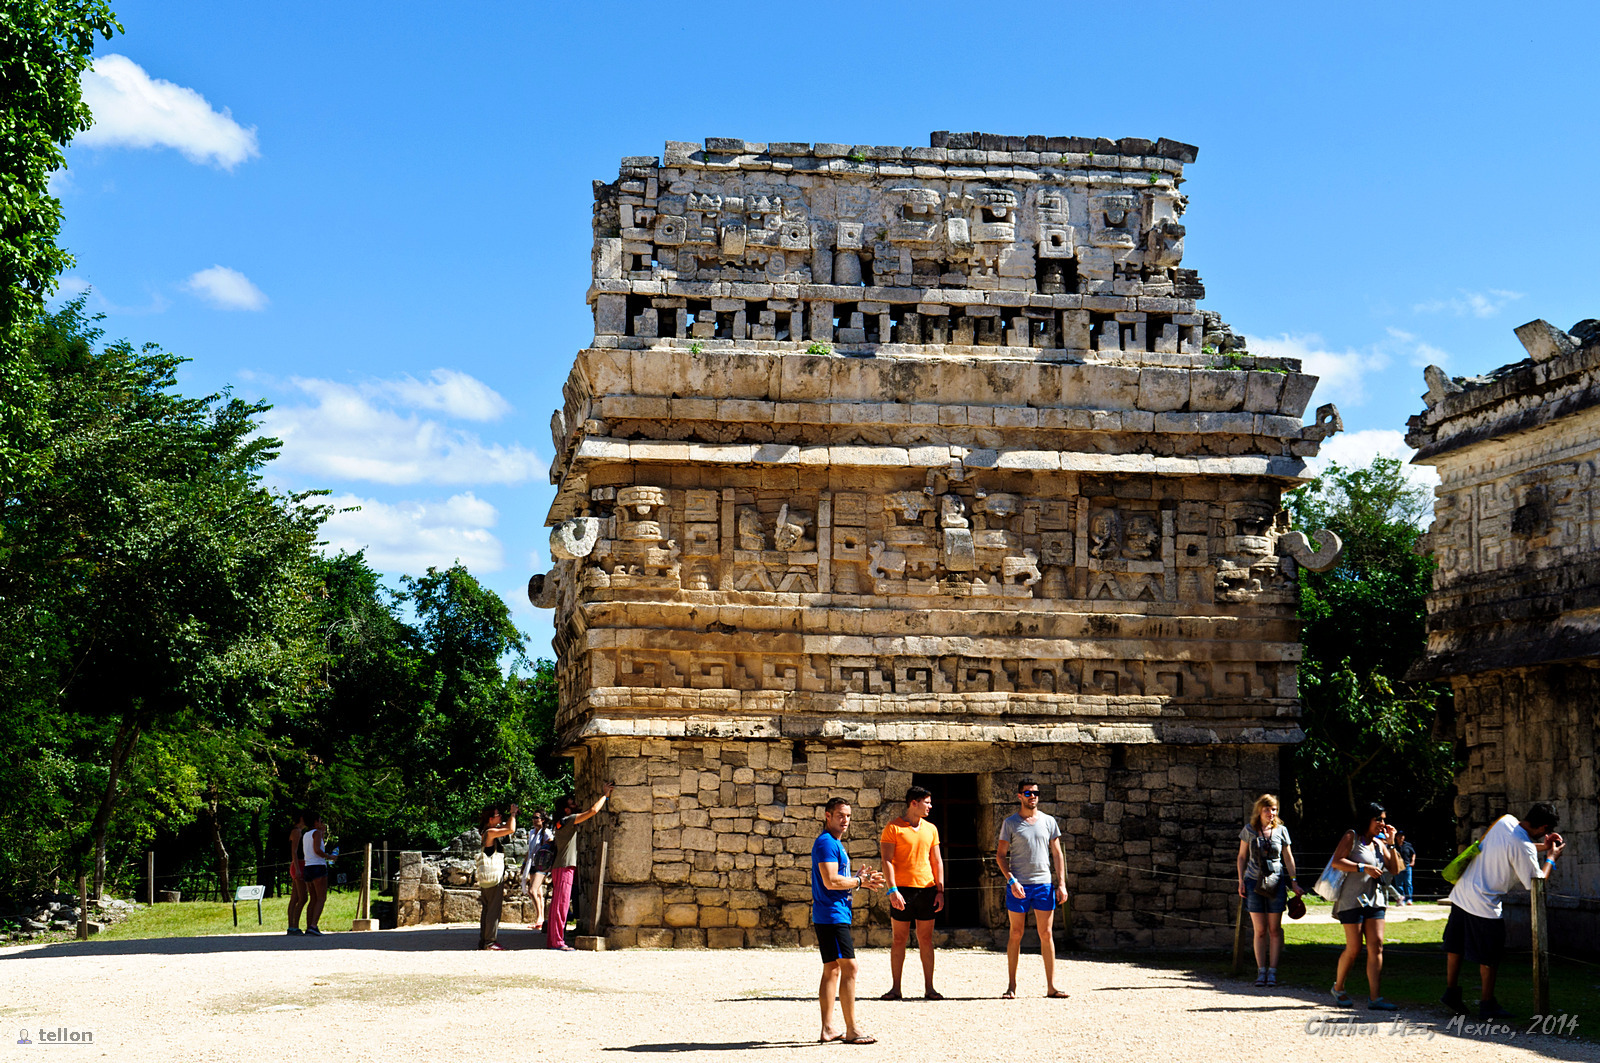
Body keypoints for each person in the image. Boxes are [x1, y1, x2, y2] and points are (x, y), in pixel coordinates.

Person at [1442, 803, 1565, 1020]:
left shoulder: (1505, 820)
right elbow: (1536, 883)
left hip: (1462, 893)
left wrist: (1543, 846)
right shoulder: (1523, 846)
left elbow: (1514, 846)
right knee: (1490, 956)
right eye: (1545, 831)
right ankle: (1487, 1003)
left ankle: (1451, 991)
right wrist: (1551, 859)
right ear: (1543, 826)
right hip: (1484, 903)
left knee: (1456, 946)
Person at [812, 797, 883, 1045]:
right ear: (827, 815)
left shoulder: (835, 844)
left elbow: (837, 880)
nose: (845, 820)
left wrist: (855, 878)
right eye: (840, 815)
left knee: (832, 969)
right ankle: (852, 1029)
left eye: (849, 816)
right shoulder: (826, 843)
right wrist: (860, 882)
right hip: (832, 915)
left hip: (830, 913)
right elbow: (831, 881)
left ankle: (828, 1029)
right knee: (849, 967)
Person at [995, 779, 1070, 1000]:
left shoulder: (1049, 821)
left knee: (1046, 934)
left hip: (1044, 885)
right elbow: (1000, 856)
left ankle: (1051, 986)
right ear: (1019, 796)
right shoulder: (1010, 823)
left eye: (1036, 792)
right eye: (1028, 792)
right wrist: (1011, 881)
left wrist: (1062, 884)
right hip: (1018, 886)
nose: (1032, 796)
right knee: (1015, 934)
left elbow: (1057, 854)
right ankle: (1011, 986)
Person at [1329, 802, 1404, 1010]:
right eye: (1378, 819)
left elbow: (1395, 870)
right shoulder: (1352, 837)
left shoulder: (1381, 844)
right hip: (1351, 900)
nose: (1382, 823)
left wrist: (1391, 844)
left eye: (1384, 819)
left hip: (1376, 900)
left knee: (1377, 945)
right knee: (1354, 948)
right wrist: (1363, 867)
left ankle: (1375, 997)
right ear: (1367, 820)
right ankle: (1339, 987)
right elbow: (1337, 861)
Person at [878, 785, 945, 1000]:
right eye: (927, 802)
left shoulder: (931, 829)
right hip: (902, 891)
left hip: (926, 889)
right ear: (913, 803)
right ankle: (896, 988)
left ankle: (930, 988)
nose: (930, 806)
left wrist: (940, 890)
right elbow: (886, 860)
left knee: (926, 939)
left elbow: (936, 860)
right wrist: (892, 890)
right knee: (899, 939)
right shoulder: (893, 827)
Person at [1235, 793, 1303, 988]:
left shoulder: (1282, 831)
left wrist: (1294, 882)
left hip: (1276, 882)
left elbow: (1288, 858)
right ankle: (1260, 971)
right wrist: (1240, 880)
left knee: (1274, 929)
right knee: (1260, 930)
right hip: (1253, 882)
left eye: (1274, 809)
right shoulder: (1249, 830)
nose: (1271, 813)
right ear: (1259, 810)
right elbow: (1241, 857)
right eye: (1267, 809)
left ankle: (1272, 971)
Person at [547, 783, 613, 951]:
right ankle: (557, 942)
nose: (575, 805)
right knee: (561, 905)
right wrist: (605, 796)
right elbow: (592, 811)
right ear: (566, 810)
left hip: (559, 867)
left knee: (558, 905)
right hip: (565, 867)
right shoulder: (569, 820)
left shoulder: (561, 822)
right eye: (572, 804)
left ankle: (554, 940)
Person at [478, 802, 517, 951]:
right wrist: (512, 814)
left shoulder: (487, 831)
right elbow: (511, 829)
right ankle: (490, 942)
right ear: (490, 819)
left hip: (487, 877)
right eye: (497, 815)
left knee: (487, 909)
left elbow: (507, 828)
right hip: (493, 877)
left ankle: (484, 940)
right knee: (493, 910)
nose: (500, 816)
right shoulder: (490, 832)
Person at [301, 811, 337, 937]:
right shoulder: (316, 833)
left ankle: (309, 925)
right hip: (318, 866)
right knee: (321, 898)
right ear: (316, 822)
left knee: (313, 899)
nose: (322, 823)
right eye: (320, 821)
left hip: (308, 867)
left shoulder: (306, 834)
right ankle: (314, 925)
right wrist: (329, 857)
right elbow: (317, 850)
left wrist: (322, 833)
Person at [519, 810, 555, 932]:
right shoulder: (532, 833)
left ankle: (540, 918)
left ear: (542, 820)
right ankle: (540, 918)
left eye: (537, 817)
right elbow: (530, 850)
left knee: (532, 890)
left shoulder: (547, 833)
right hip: (532, 864)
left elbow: (550, 847)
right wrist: (524, 864)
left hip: (542, 865)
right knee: (538, 893)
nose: (534, 820)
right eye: (533, 817)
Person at [285, 810, 308, 936]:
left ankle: (292, 926)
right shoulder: (297, 832)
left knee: (294, 898)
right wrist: (298, 869)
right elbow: (294, 851)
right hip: (298, 864)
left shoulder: (299, 831)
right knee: (303, 898)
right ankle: (295, 926)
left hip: (298, 864)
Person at [1393, 828, 1416, 906]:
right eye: (1399, 836)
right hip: (1397, 867)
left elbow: (1413, 853)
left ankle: (1409, 899)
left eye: (1402, 836)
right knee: (1399, 884)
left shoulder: (1408, 845)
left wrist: (1412, 861)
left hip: (1407, 866)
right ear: (1396, 837)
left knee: (1408, 883)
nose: (1401, 837)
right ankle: (1401, 899)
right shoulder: (1394, 846)